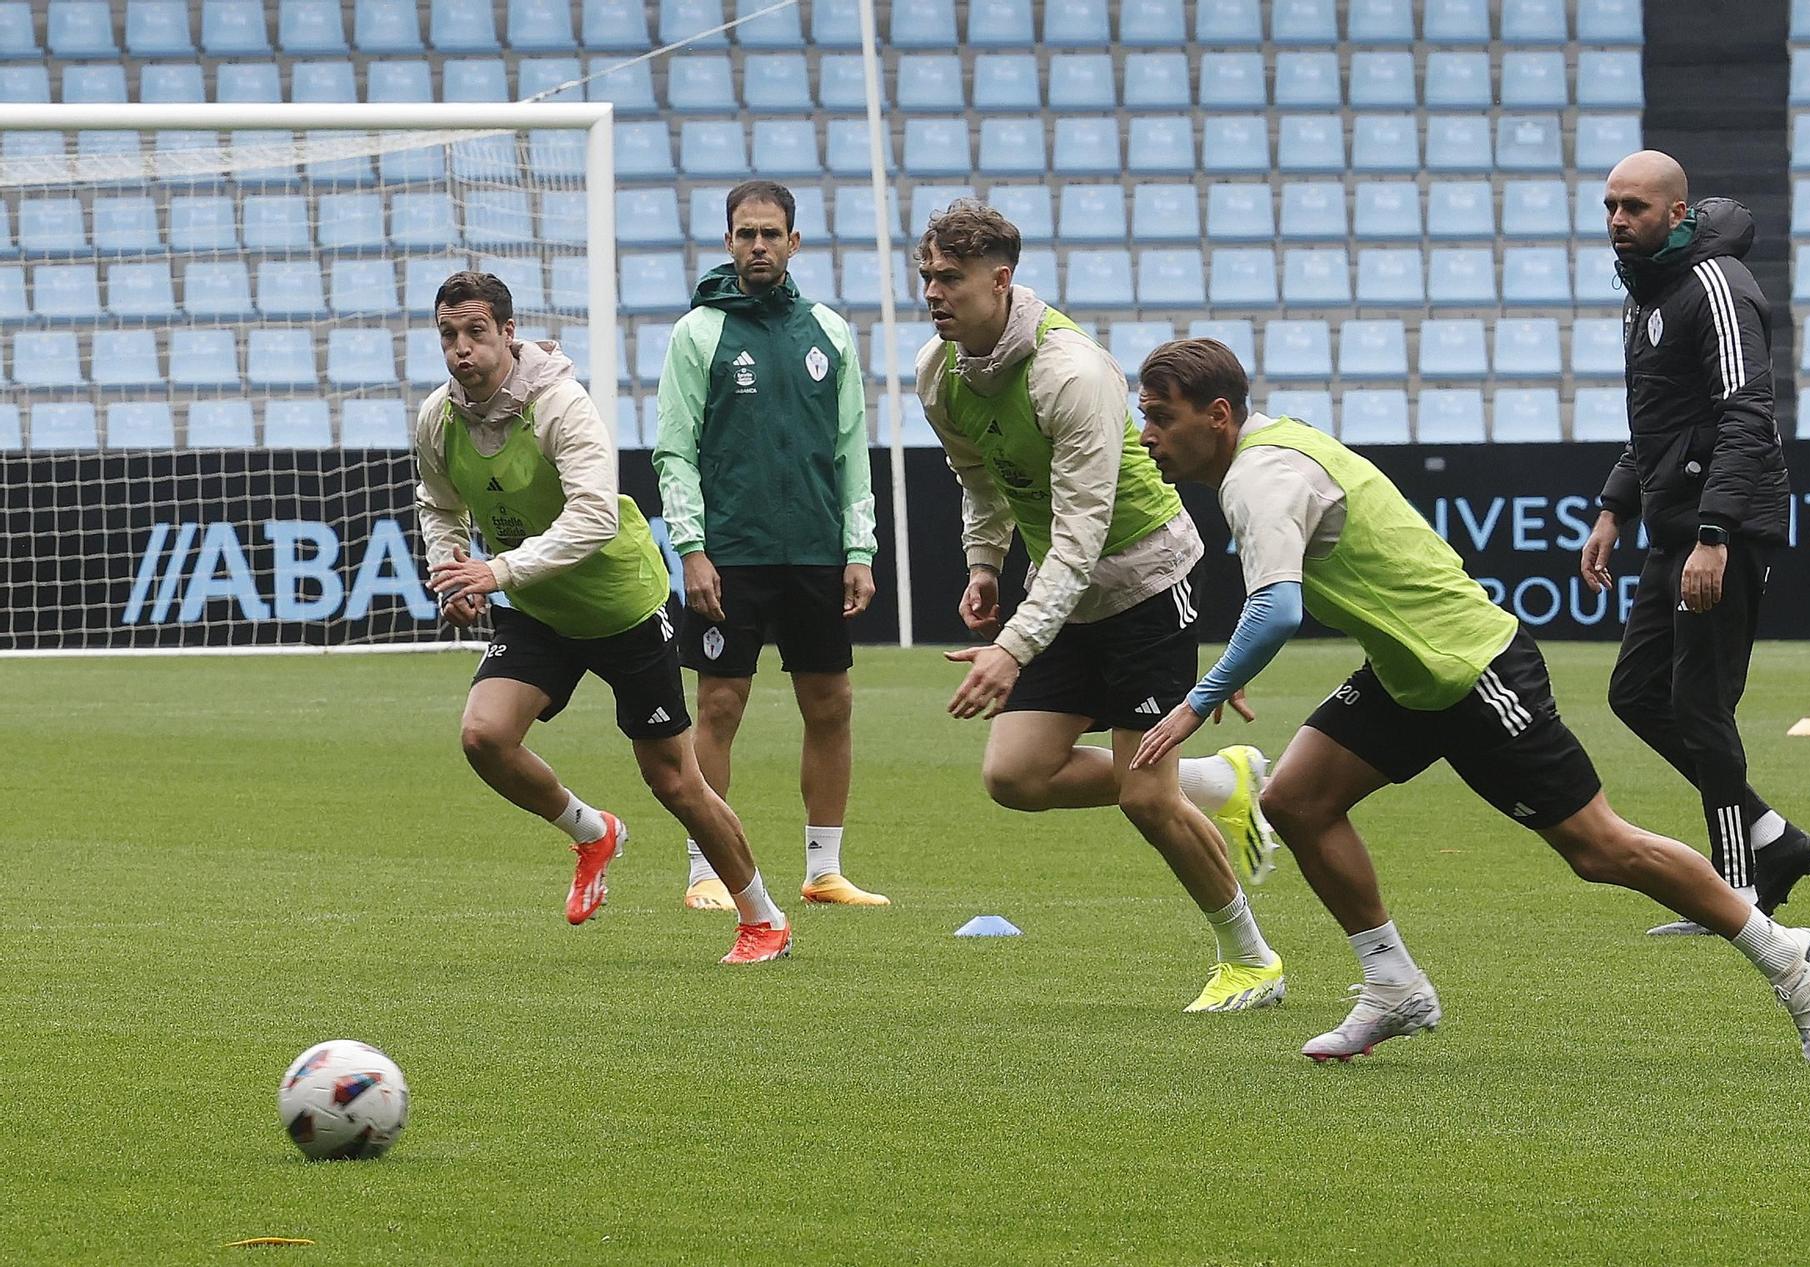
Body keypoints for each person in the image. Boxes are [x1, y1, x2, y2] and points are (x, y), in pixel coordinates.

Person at [1130, 337, 1810, 1062]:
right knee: (1296, 800)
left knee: (1600, 847)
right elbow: (1274, 598)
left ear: (1217, 415)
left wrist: (1197, 701)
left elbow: (1278, 610)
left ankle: (1789, 955)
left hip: (1472, 669)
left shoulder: (1260, 474)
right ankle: (1393, 985)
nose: (1147, 434)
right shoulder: (1269, 452)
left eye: (1160, 416)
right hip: (1412, 671)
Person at [913, 200, 1285, 1014]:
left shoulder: (1071, 373)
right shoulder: (939, 372)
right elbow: (981, 477)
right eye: (927, 277)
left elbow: (1082, 533)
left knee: (1144, 796)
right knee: (1014, 775)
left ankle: (1252, 960)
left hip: (1148, 582)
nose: (934, 293)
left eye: (951, 278)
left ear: (1000, 279)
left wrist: (1012, 645)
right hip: (1066, 591)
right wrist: (984, 561)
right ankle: (1222, 781)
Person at [418, 270, 791, 964]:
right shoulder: (438, 417)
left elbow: (592, 517)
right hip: (538, 608)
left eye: (475, 331)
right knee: (483, 735)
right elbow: (439, 504)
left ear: (508, 331)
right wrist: (451, 567)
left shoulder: (561, 405)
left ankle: (763, 918)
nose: (461, 348)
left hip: (620, 607)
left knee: (675, 781)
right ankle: (592, 832)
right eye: (448, 334)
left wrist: (493, 570)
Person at [1581, 150, 1810, 937]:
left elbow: (1747, 415)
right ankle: (1770, 838)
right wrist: (1614, 509)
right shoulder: (1646, 288)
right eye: (1611, 205)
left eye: (1636, 208)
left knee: (1699, 702)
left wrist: (1716, 535)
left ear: (1678, 212)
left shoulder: (1714, 287)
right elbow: (1659, 422)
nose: (1619, 220)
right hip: (1673, 525)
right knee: (1635, 693)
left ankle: (1740, 890)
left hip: (1725, 525)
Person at [654, 180, 888, 912]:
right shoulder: (698, 333)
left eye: (771, 233)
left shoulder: (829, 331)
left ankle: (824, 870)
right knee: (720, 705)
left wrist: (860, 549)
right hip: (733, 551)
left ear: (794, 242)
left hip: (817, 549)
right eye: (745, 233)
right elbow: (675, 451)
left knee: (831, 701)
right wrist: (690, 546)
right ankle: (705, 873)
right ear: (727, 242)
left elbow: (851, 449)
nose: (758, 245)